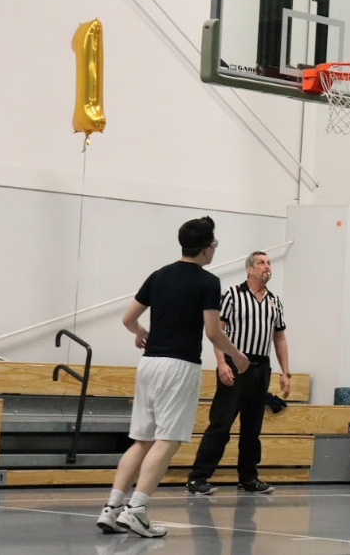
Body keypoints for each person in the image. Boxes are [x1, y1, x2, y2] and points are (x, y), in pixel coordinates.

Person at [96, 217, 251, 538]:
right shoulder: (208, 282)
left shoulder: (159, 275)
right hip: (179, 366)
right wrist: (236, 356)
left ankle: (112, 508)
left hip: (149, 364)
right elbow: (213, 332)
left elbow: (128, 319)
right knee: (168, 439)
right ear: (207, 248)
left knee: (142, 440)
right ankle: (137, 510)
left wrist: (141, 333)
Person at [187, 251, 291, 496]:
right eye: (261, 263)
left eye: (269, 263)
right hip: (234, 365)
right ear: (249, 269)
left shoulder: (274, 301)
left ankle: (248, 478)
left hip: (261, 367)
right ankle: (198, 477)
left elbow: (279, 338)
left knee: (252, 427)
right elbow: (217, 331)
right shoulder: (232, 295)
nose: (267, 266)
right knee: (221, 423)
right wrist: (222, 363)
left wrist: (285, 372)